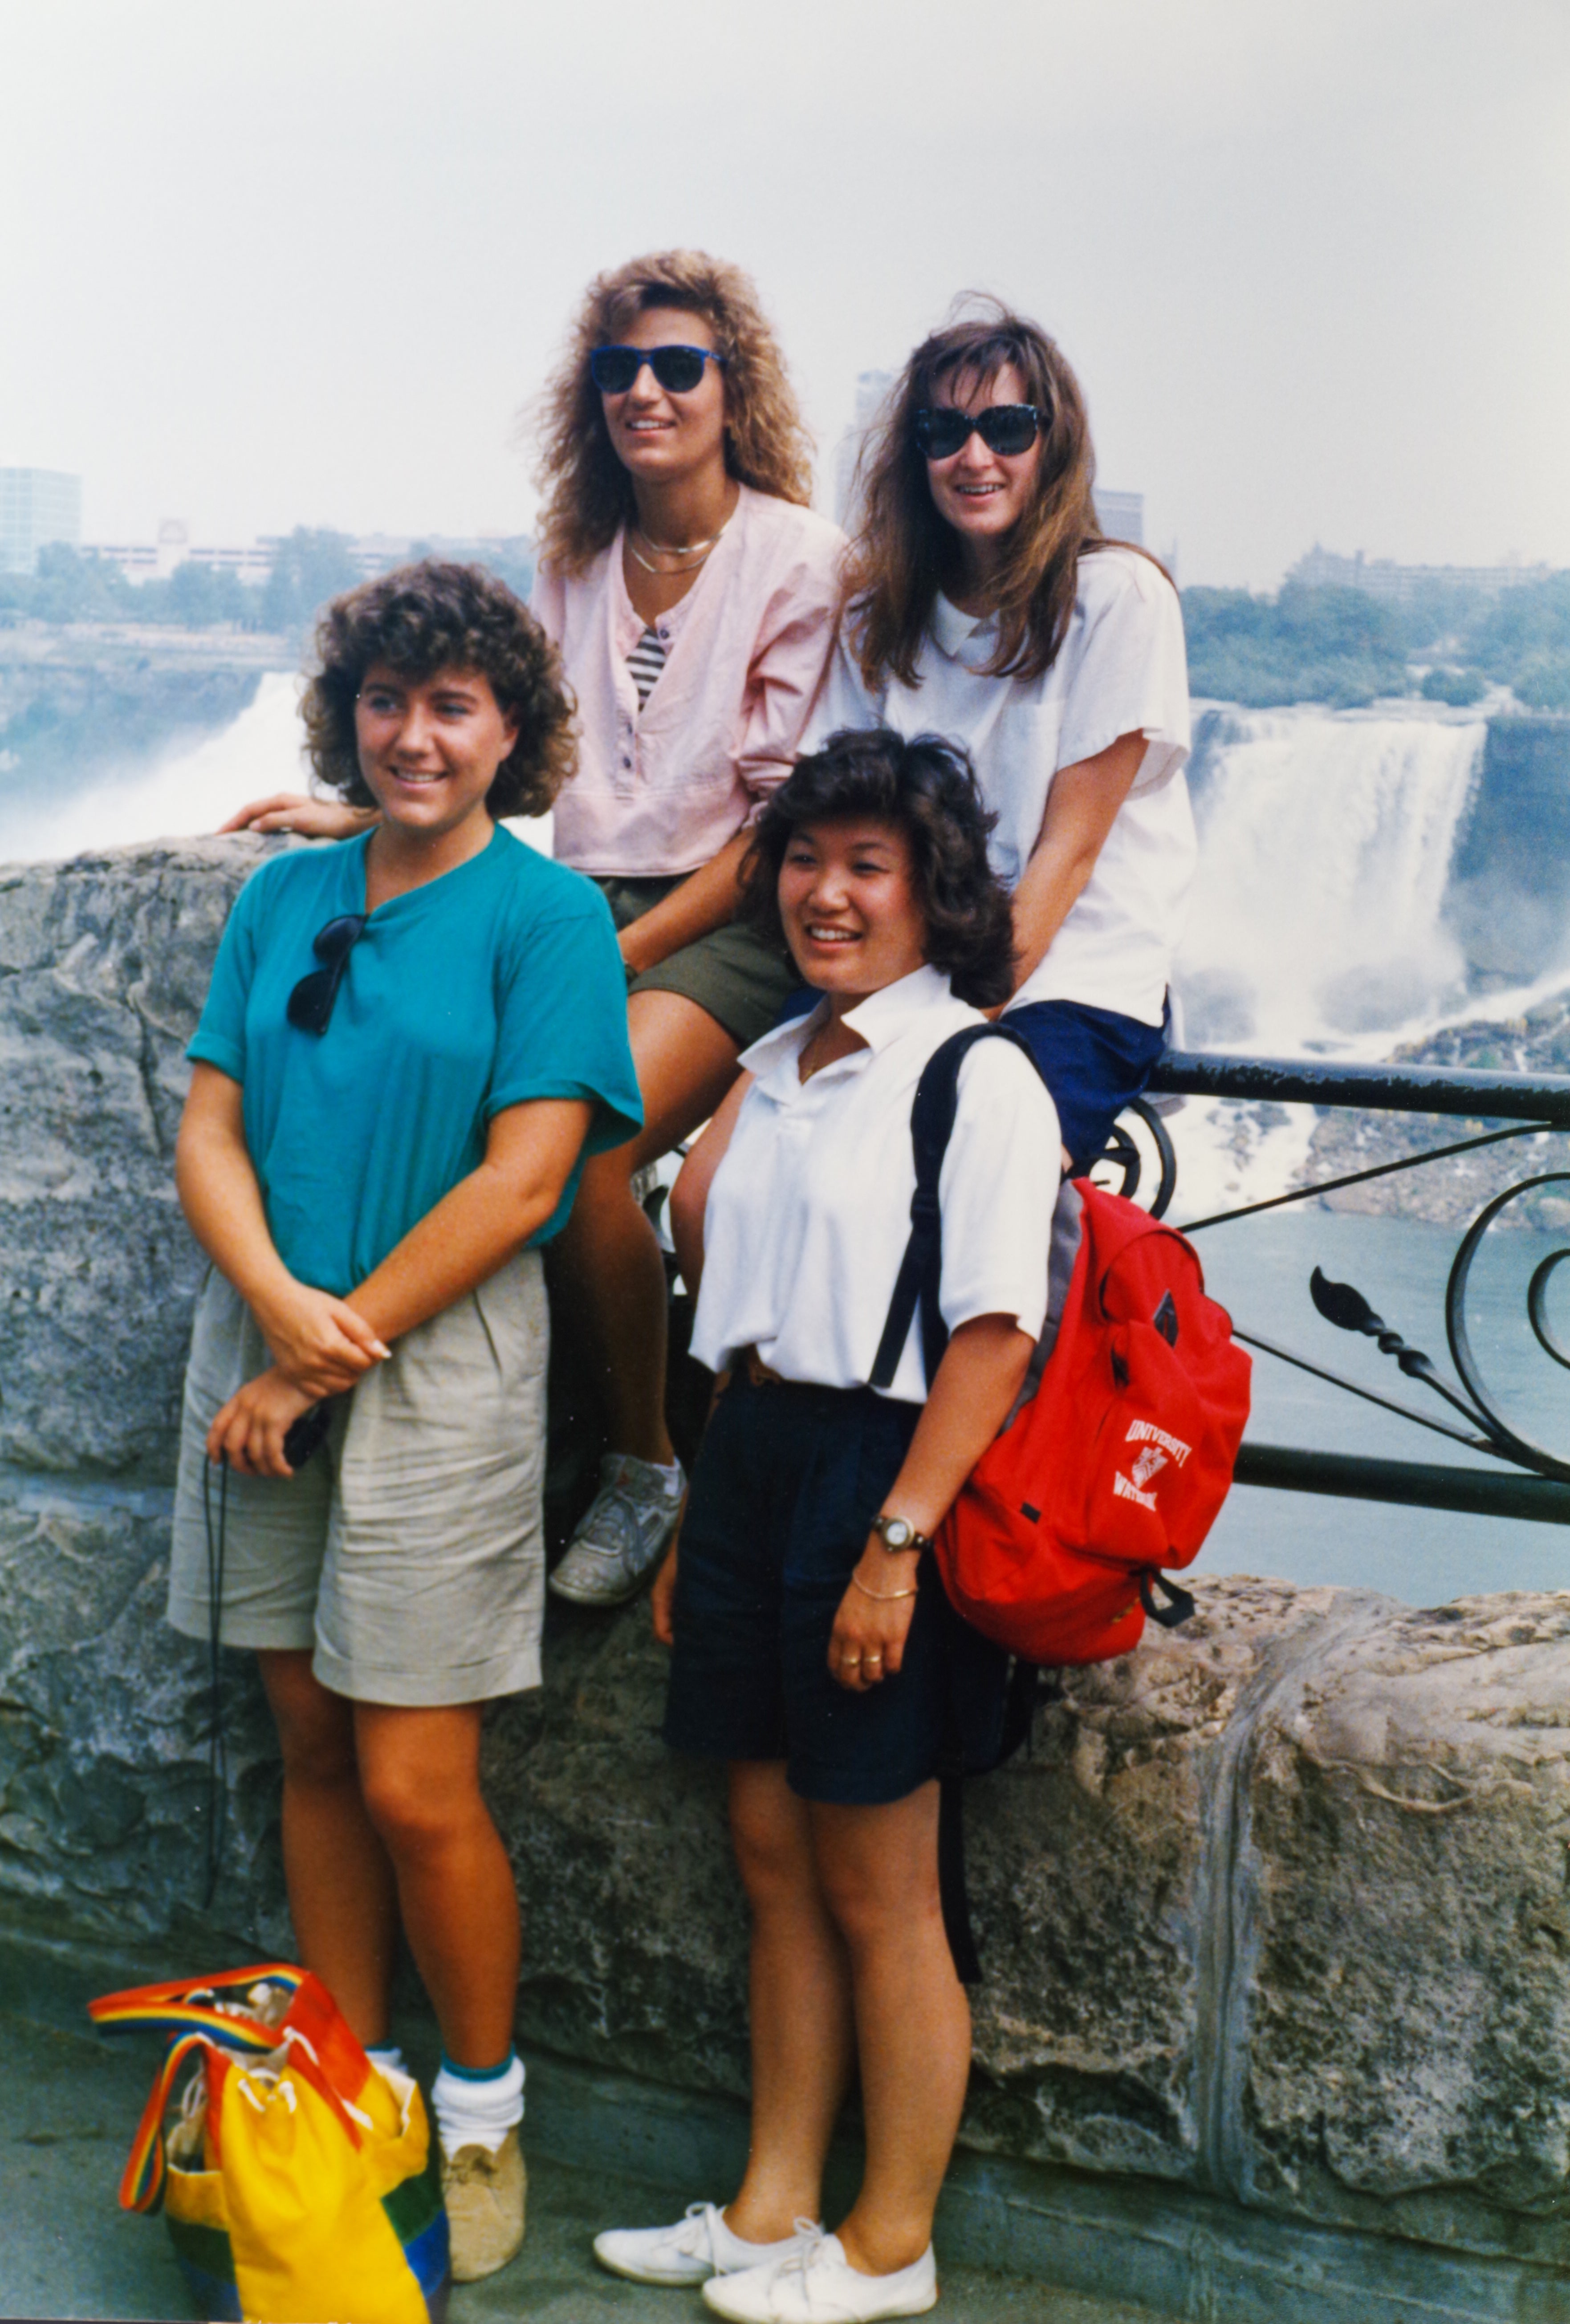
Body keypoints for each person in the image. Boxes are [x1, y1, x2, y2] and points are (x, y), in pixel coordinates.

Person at [225, 251, 845, 1612]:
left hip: (735, 912)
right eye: (617, 369)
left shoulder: (798, 558)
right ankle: (525, 1415)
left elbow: (771, 830)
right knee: (463, 1119)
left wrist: (602, 958)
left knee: (583, 1148)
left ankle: (643, 1458)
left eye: (677, 365)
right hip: (581, 895)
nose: (644, 390)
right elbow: (525, 759)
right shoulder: (575, 558)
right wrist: (371, 823)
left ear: (732, 390)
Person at [169, 562, 642, 2282]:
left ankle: (480, 2105)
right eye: (386, 701)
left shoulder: (547, 918)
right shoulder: (284, 896)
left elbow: (527, 1183)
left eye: (452, 705)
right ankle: (344, 2091)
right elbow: (208, 1131)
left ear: (511, 730)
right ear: (345, 716)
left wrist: (318, 1355)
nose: (413, 733)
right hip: (271, 1336)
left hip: (425, 1373)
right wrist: (277, 1323)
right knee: (303, 1741)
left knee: (416, 1778)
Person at [593, 729, 1061, 2323]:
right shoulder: (775, 1063)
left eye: (869, 867)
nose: (826, 893)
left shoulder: (971, 1072)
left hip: (885, 1471)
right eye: (803, 860)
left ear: (935, 895)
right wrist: (694, 1518)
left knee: (881, 1888)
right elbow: (731, 1308)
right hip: (750, 1454)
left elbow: (994, 1332)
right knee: (770, 1860)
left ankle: (888, 2244)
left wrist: (896, 1546)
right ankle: (766, 2205)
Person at [669, 300, 1192, 1288]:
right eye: (941, 432)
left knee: (919, 1204)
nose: (973, 456)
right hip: (886, 967)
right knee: (704, 1200)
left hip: (1058, 982)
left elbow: (1066, 856)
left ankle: (920, 1447)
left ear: (1052, 444)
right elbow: (827, 807)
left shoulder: (1116, 599)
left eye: (1006, 428)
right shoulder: (878, 610)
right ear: (911, 454)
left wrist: (939, 1030)